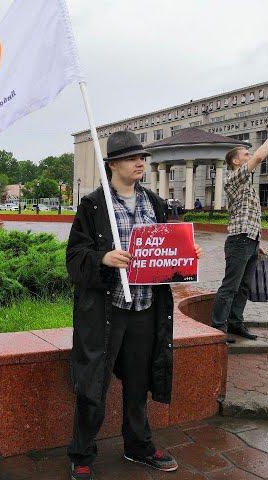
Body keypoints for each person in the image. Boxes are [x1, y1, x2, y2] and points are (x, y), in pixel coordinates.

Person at [66, 131, 203, 480]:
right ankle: (81, 453)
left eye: (142, 156)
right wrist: (103, 259)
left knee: (138, 382)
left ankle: (137, 445)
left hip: (145, 309)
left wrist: (187, 255)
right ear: (112, 164)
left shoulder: (155, 203)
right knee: (94, 383)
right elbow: (74, 259)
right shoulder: (94, 206)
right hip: (107, 313)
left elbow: (166, 252)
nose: (140, 162)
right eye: (131, 157)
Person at [211, 120, 268, 343]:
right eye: (245, 154)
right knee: (230, 286)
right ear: (235, 161)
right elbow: (260, 158)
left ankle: (234, 323)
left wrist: (258, 241)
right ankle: (218, 329)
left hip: (250, 240)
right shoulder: (233, 179)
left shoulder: (247, 184)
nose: (249, 155)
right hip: (239, 241)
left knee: (243, 287)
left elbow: (249, 215)